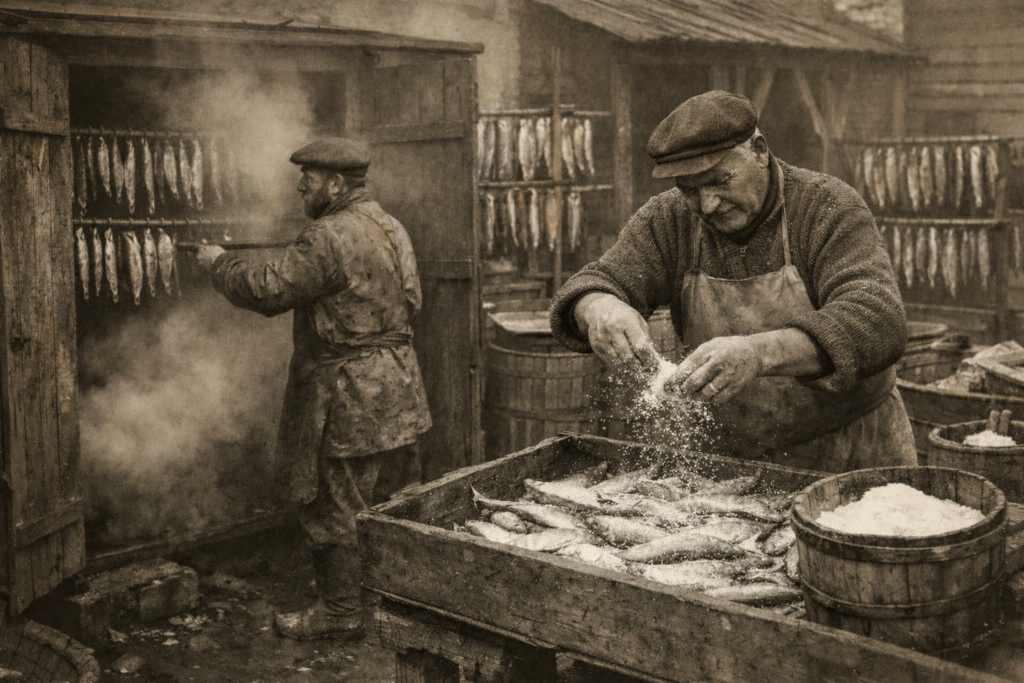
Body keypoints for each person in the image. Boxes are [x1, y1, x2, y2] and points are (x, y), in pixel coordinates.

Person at [550, 91, 917, 472]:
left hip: (852, 451)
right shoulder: (669, 219)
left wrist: (759, 353)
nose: (707, 205)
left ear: (759, 150)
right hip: (735, 460)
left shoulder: (826, 206)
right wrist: (599, 306)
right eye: (690, 189)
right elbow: (597, 281)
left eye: (720, 180)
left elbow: (878, 320)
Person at [195, 137, 431, 641]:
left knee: (335, 507)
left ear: (335, 184)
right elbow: (412, 300)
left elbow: (267, 290)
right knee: (392, 504)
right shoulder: (392, 227)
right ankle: (390, 605)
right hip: (400, 387)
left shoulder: (327, 235)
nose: (300, 186)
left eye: (308, 178)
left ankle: (342, 617)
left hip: (348, 396)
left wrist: (218, 264)